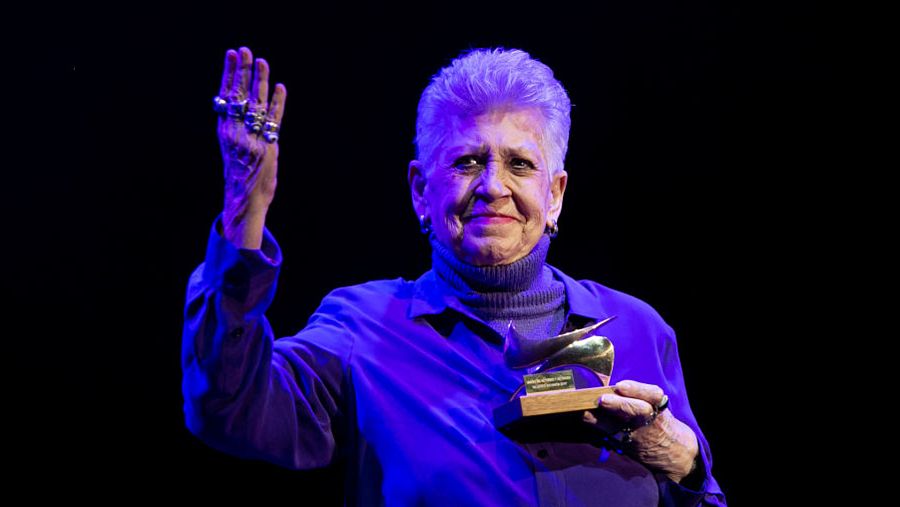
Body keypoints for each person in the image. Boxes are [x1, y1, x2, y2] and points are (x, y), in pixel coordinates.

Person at [182, 46, 727, 506]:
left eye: (520, 164)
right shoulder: (362, 330)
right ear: (421, 190)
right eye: (467, 161)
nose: (492, 185)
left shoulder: (637, 328)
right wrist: (241, 220)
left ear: (555, 194)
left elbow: (702, 495)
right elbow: (227, 408)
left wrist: (686, 461)